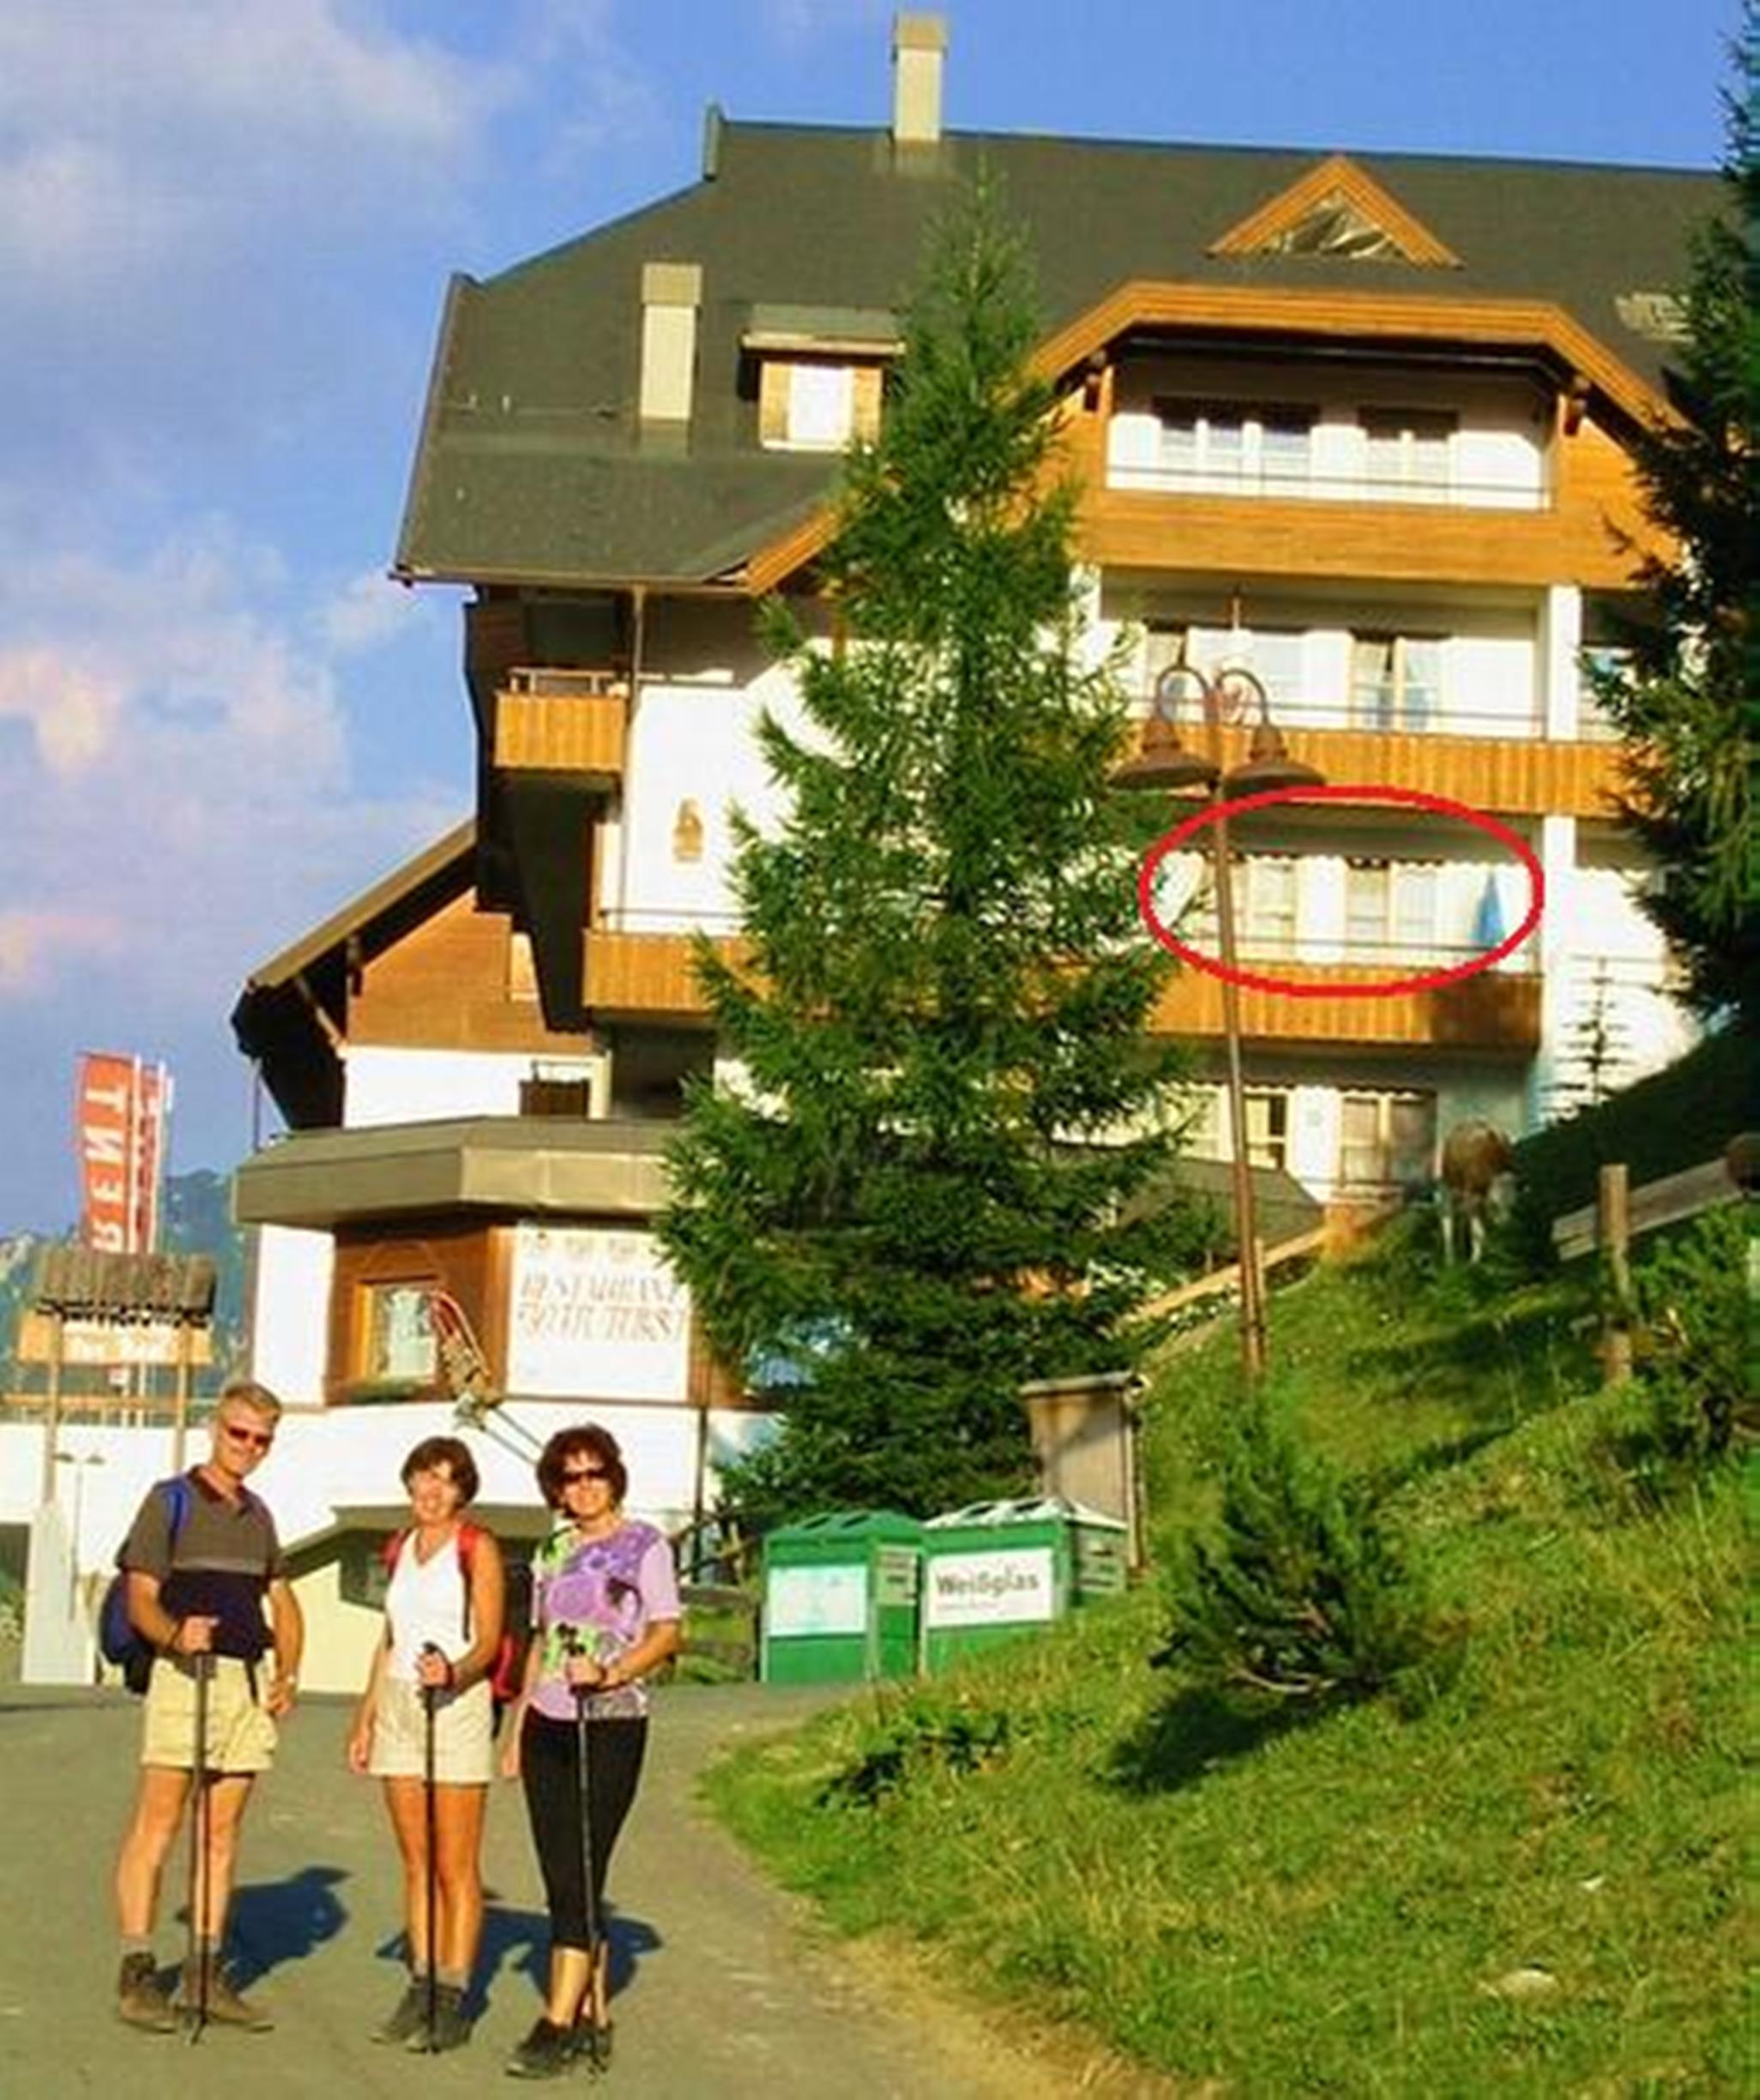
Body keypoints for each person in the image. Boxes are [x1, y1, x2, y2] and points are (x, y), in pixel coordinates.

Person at [112, 1379, 304, 2031]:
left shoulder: (260, 1515)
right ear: (215, 1429)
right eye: (238, 1432)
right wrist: (174, 1634)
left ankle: (203, 1976)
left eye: (261, 1439)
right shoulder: (169, 1500)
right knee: (158, 1824)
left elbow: (282, 1599)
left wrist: (289, 1673)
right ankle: (137, 1973)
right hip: (183, 1676)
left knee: (221, 1833)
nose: (248, 1446)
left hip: (245, 1683)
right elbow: (140, 1597)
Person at [500, 1423, 681, 2080]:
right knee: (562, 1872)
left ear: (614, 1476)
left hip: (610, 1722)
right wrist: (516, 1729)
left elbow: (667, 1631)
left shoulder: (645, 1545)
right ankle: (589, 2010)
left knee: (581, 1865)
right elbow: (540, 1641)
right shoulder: (552, 1549)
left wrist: (611, 1671)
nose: (583, 1486)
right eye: (570, 1476)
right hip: (548, 1720)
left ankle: (556, 2021)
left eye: (593, 1473)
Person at [347, 1435, 505, 2053]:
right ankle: (422, 1982)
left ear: (463, 1491)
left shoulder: (477, 1546)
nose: (433, 1490)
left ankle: (454, 1993)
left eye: (447, 1479)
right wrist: (366, 1717)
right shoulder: (400, 1547)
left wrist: (455, 1672)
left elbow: (489, 1639)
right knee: (415, 1860)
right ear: (409, 1481)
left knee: (454, 1863)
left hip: (456, 1704)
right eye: (424, 1476)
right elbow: (389, 1637)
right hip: (400, 1703)